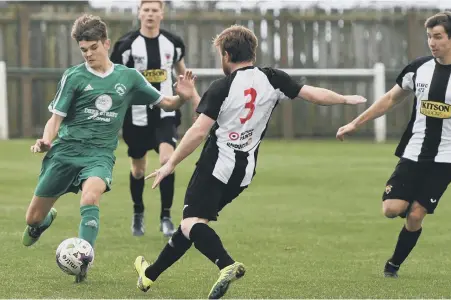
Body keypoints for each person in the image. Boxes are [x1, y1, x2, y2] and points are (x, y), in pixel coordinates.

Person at [132, 25, 366, 299]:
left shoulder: (222, 87)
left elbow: (198, 130)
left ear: (227, 54)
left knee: (190, 223)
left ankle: (226, 264)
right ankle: (149, 276)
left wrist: (170, 164)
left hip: (216, 166)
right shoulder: (273, 78)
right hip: (243, 172)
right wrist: (345, 99)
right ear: (252, 52)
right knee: (194, 224)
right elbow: (313, 93)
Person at [22, 14, 196, 283]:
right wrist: (45, 140)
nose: (88, 54)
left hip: (99, 155)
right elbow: (55, 119)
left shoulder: (129, 78)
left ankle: (82, 262)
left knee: (91, 197)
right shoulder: (74, 77)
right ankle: (41, 224)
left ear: (106, 43)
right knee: (32, 218)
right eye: (83, 50)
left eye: (93, 48)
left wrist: (183, 97)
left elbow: (167, 104)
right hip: (66, 152)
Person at [336, 12, 451, 278]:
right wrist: (355, 124)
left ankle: (393, 266)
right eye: (429, 37)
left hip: (447, 158)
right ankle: (413, 201)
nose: (432, 43)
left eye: (438, 37)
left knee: (415, 216)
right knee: (392, 209)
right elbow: (390, 99)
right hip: (414, 151)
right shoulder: (419, 68)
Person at [111, 0, 197, 237]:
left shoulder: (173, 43)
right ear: (139, 13)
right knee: (138, 170)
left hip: (165, 113)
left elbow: (182, 74)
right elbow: (115, 77)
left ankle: (166, 217)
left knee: (167, 160)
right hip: (136, 116)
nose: (150, 14)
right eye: (145, 10)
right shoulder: (126, 46)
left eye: (154, 10)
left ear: (162, 13)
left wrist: (195, 99)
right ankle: (138, 213)